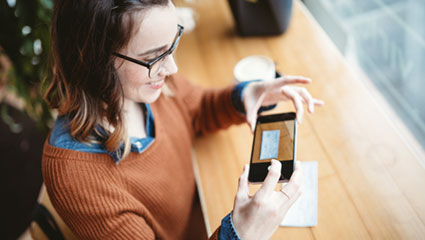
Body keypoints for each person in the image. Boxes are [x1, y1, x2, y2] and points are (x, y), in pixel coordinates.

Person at [42, 0, 324, 239]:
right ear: (94, 61)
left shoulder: (145, 83)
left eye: (172, 42)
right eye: (154, 56)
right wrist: (240, 232)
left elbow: (197, 108)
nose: (172, 67)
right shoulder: (77, 180)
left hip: (200, 208)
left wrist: (246, 95)